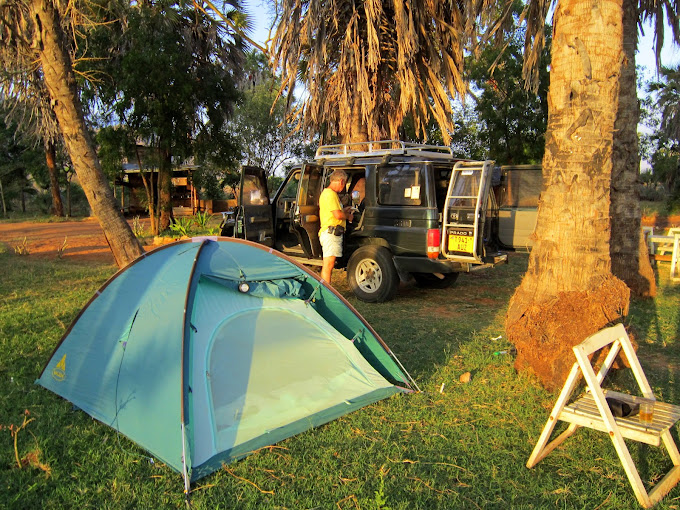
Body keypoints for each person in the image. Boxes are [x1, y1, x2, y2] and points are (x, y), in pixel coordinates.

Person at [319, 169, 354, 283]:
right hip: (331, 233)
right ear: (341, 181)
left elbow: (335, 212)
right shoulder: (330, 194)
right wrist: (348, 216)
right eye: (344, 184)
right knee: (328, 265)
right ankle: (327, 292)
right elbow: (338, 215)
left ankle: (326, 290)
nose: (343, 188)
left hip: (331, 232)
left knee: (329, 264)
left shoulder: (328, 194)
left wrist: (344, 210)